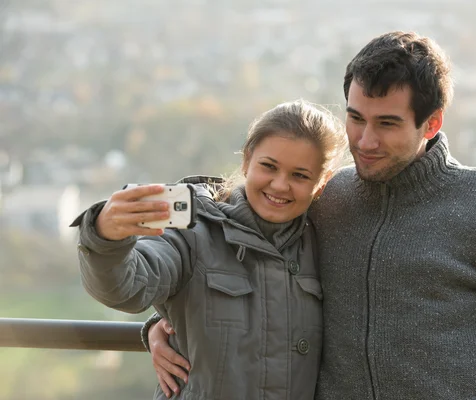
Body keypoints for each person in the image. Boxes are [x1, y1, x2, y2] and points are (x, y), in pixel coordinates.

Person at [145, 31, 476, 399]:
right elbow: (248, 262)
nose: (364, 141)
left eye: (387, 124)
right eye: (355, 117)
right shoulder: (324, 197)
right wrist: (158, 327)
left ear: (431, 123)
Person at [71, 99, 348, 399]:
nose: (280, 185)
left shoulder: (327, 243)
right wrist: (106, 238)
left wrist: (161, 325)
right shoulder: (193, 232)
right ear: (246, 161)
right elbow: (127, 286)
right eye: (269, 166)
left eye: (300, 175)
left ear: (321, 183)